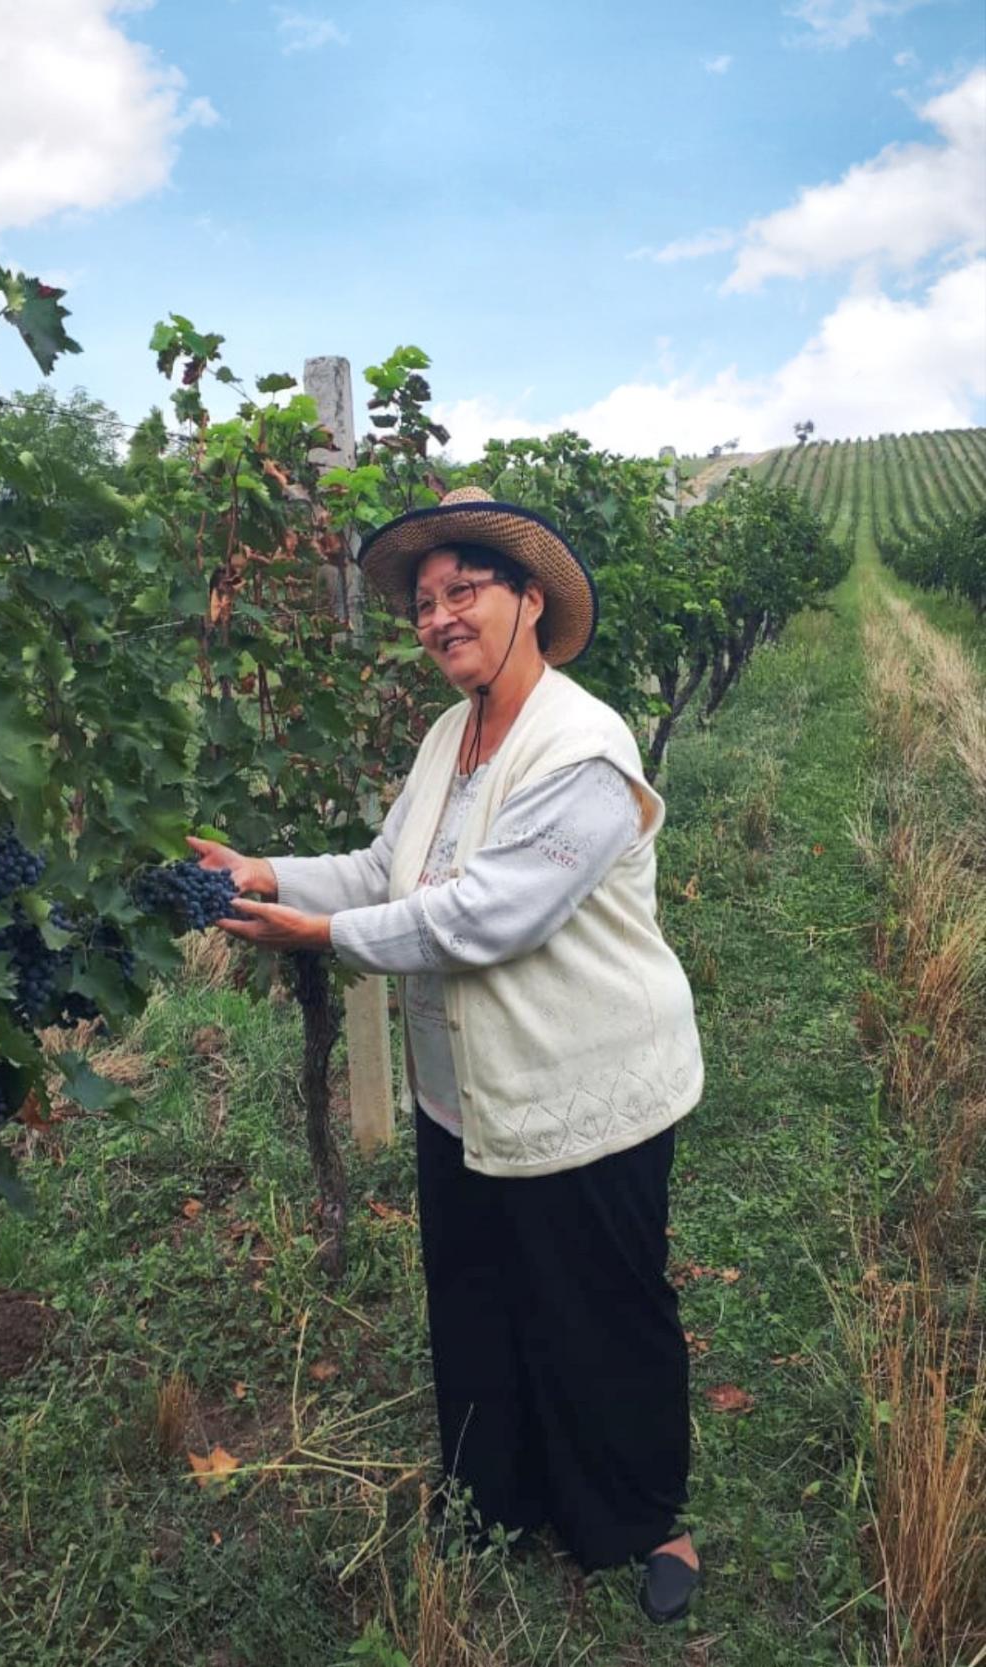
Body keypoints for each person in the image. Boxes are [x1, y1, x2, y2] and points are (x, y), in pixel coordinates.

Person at [188, 485, 705, 1624]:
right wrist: (271, 871)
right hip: (467, 1095)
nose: (436, 617)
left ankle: (642, 1513)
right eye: (422, 601)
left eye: (461, 589)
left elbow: (487, 915)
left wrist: (318, 937)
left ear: (528, 599)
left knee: (601, 1303)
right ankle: (498, 1493)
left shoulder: (584, 747)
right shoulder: (447, 734)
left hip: (586, 1084)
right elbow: (389, 871)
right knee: (479, 1293)